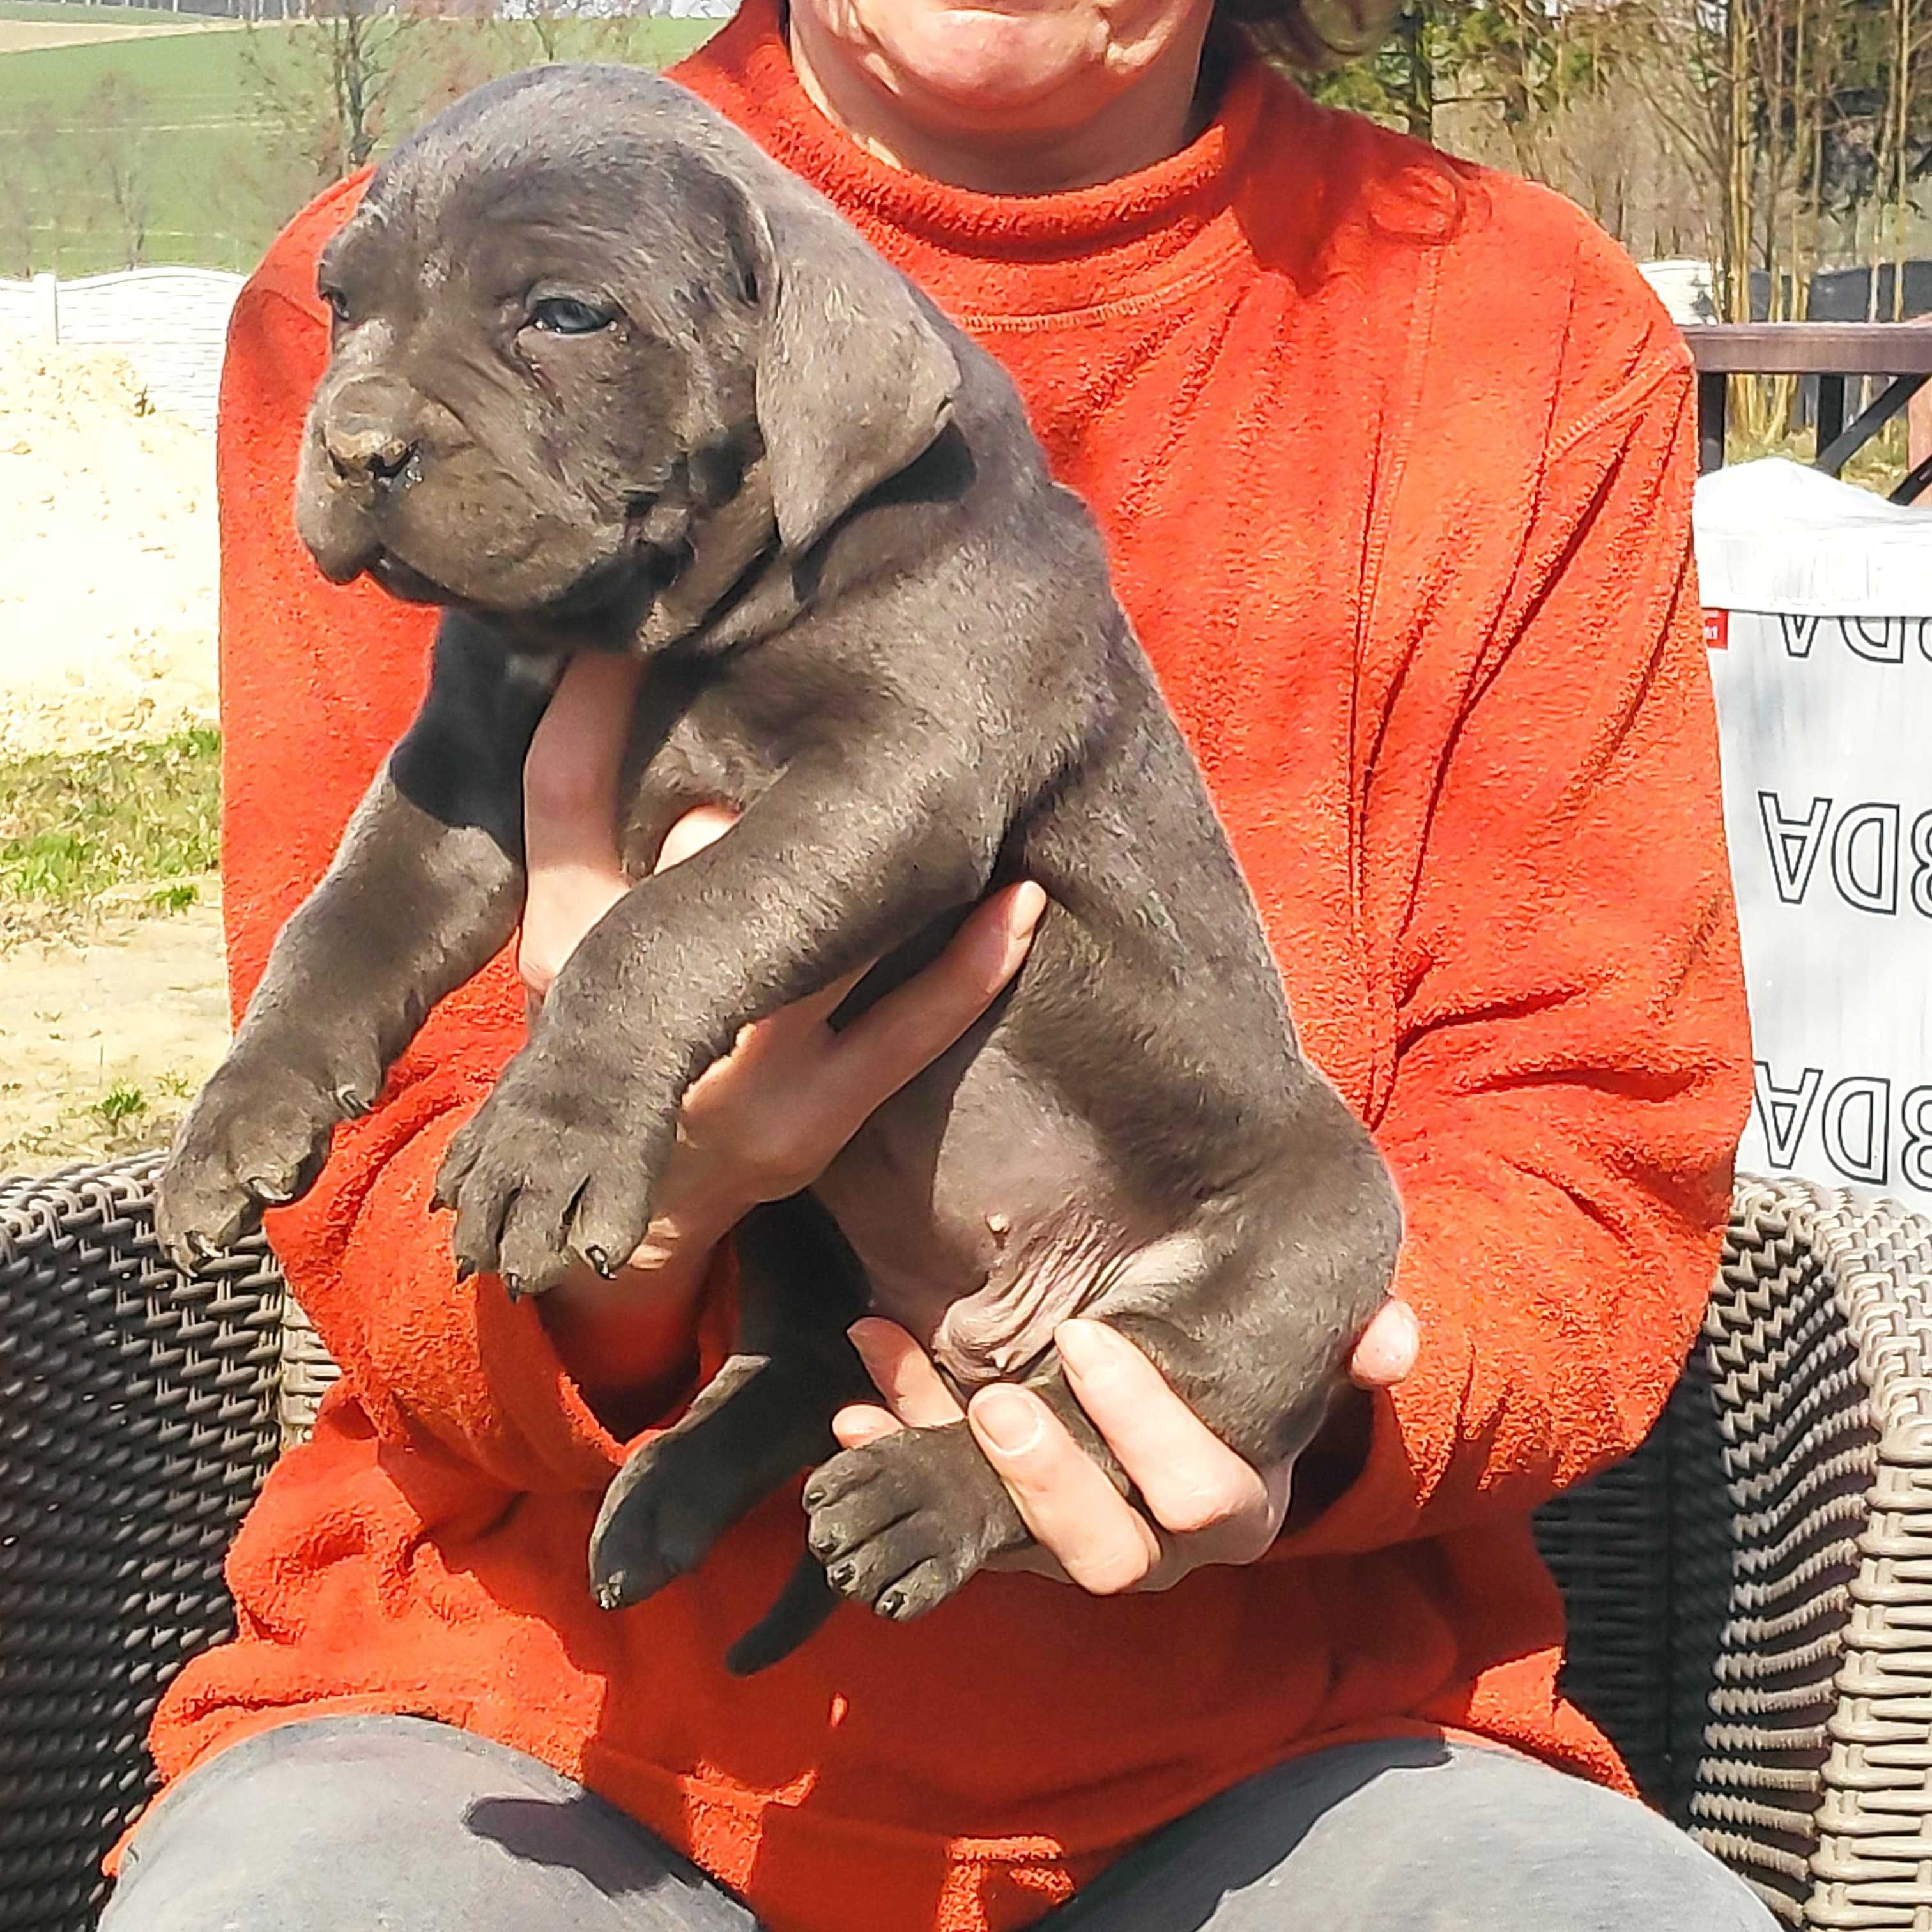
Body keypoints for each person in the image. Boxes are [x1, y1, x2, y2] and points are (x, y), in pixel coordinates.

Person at [98, 0, 1768, 1923]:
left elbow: (1589, 1147)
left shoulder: (1521, 340)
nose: (380, 397)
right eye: (369, 321)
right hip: (518, 1711)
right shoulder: (423, 282)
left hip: (1283, 1732)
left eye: (556, 323)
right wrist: (658, 1211)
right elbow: (400, 1073)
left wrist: (1288, 1418)